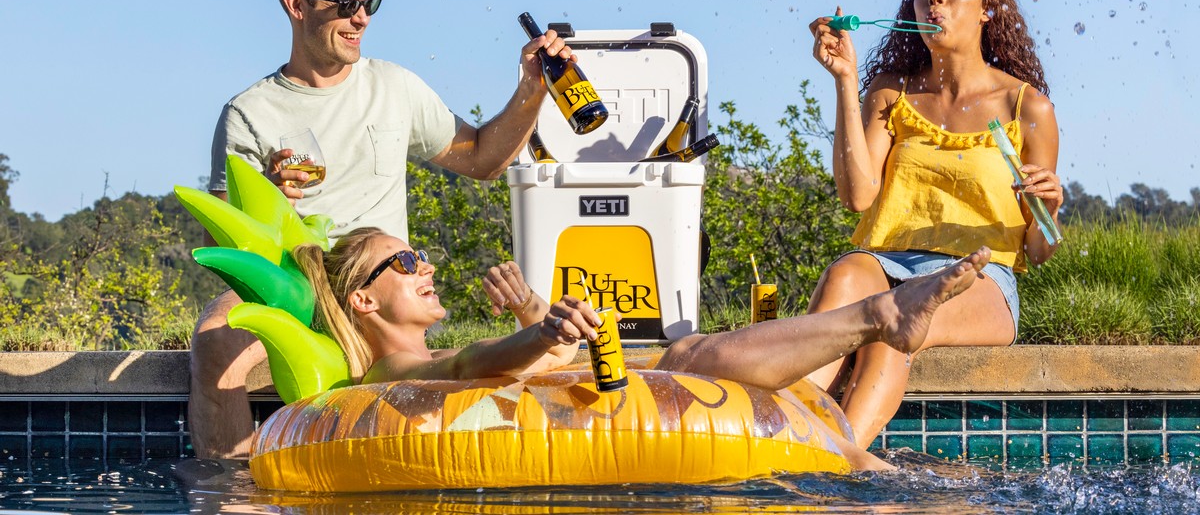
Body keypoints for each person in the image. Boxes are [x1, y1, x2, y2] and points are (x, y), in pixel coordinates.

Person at [191, 0, 573, 459]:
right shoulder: (250, 113)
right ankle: (226, 490)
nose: (362, 18)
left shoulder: (395, 87)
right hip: (295, 280)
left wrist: (532, 88)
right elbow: (220, 243)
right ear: (295, 4)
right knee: (215, 336)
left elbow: (482, 159)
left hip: (377, 281)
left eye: (369, 3)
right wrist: (273, 198)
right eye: (346, 5)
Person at [291, 226, 996, 470]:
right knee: (689, 360)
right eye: (406, 263)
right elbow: (463, 369)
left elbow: (523, 376)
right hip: (607, 414)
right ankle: (877, 315)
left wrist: (543, 324)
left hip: (600, 403)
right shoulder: (388, 374)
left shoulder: (408, 362)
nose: (428, 266)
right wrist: (536, 333)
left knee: (692, 356)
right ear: (362, 300)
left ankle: (879, 323)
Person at [805, 0, 1062, 448]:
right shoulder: (889, 92)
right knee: (844, 275)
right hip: (884, 261)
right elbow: (857, 197)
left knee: (898, 324)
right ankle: (779, 435)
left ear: (988, 9)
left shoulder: (1026, 106)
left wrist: (1046, 210)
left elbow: (1038, 250)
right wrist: (845, 81)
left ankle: (835, 465)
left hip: (980, 273)